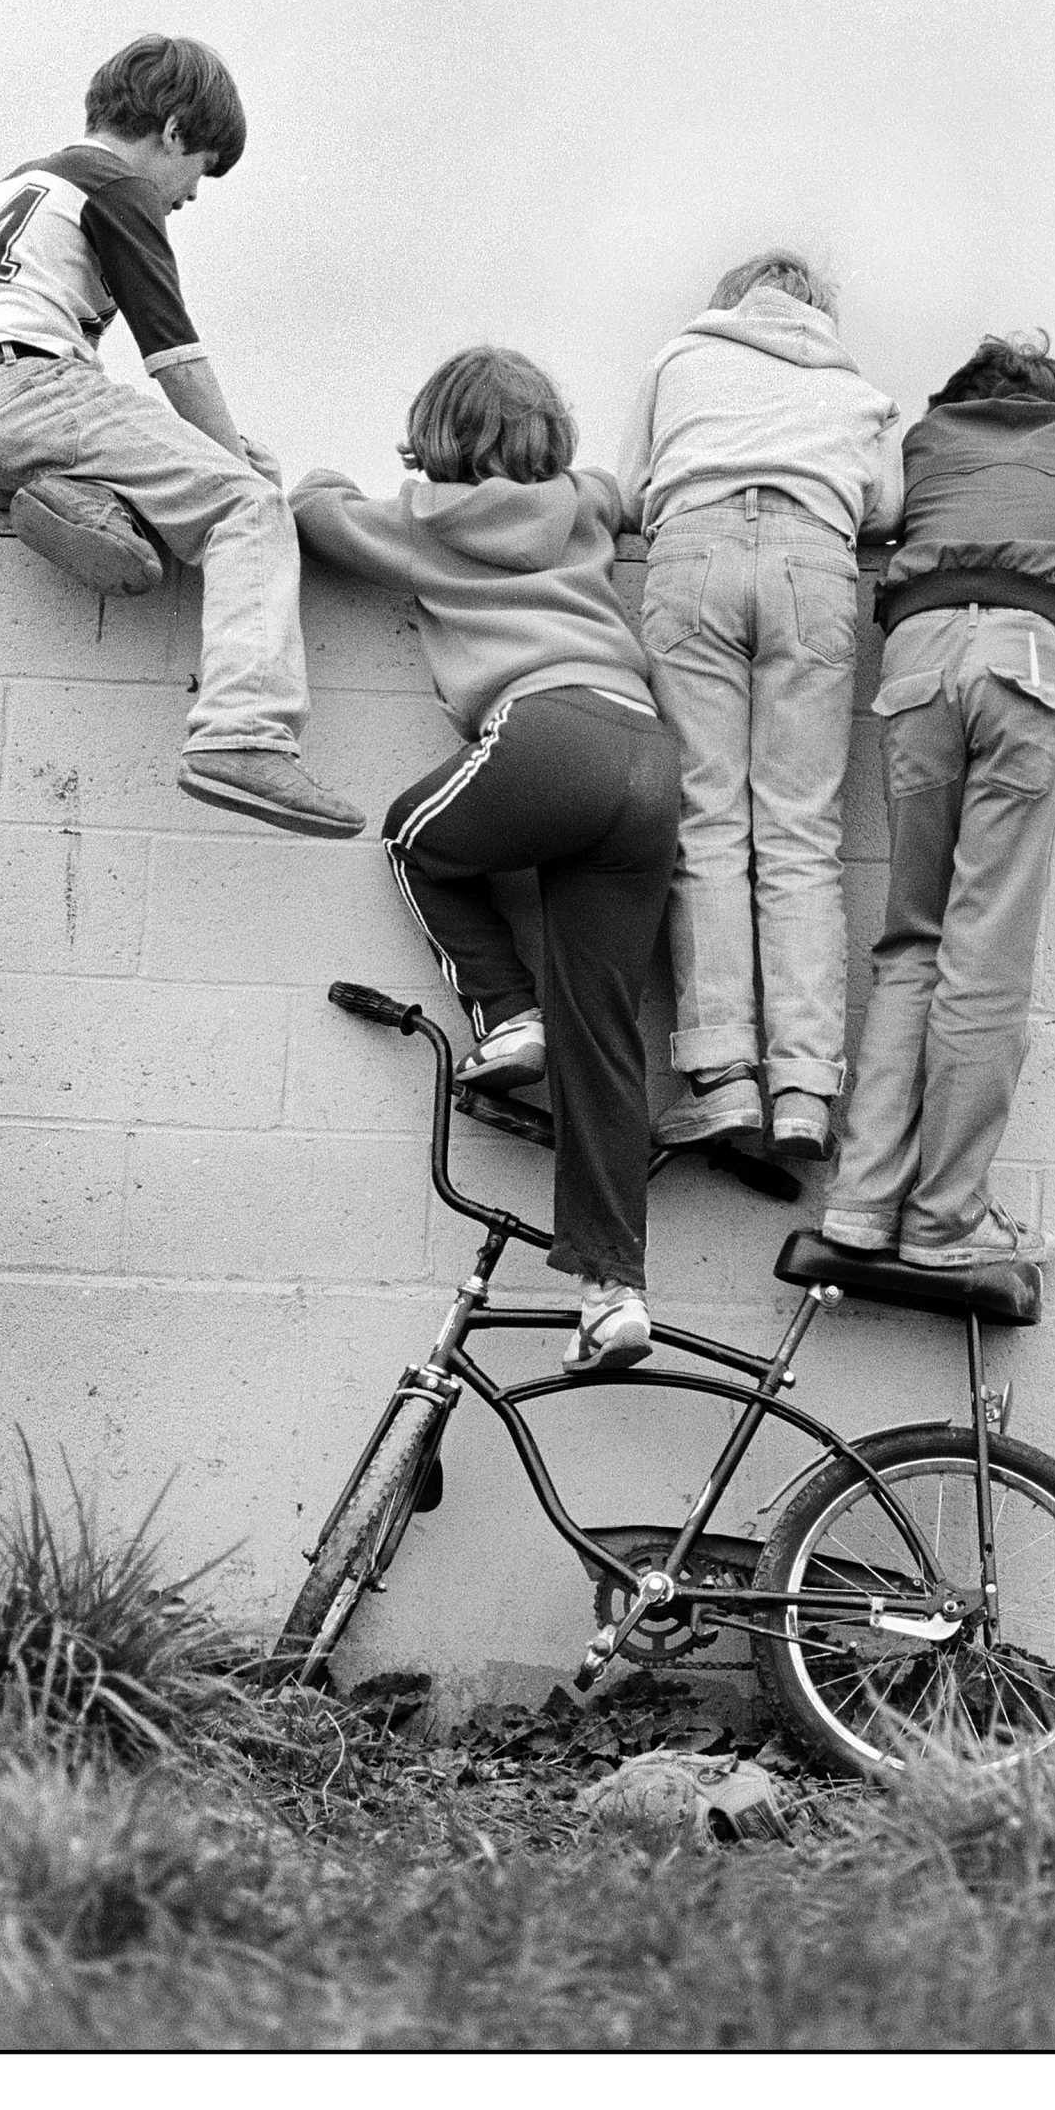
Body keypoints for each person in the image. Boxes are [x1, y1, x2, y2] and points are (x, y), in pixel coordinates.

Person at [291, 350, 682, 1369]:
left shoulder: (420, 518)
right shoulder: (586, 505)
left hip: (548, 732)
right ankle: (613, 1293)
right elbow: (634, 493)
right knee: (606, 1032)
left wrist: (391, 470)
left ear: (437, 440)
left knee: (413, 836)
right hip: (647, 754)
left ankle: (508, 1013)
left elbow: (316, 507)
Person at [0, 34, 362, 840]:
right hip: (34, 386)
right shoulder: (119, 184)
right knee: (246, 506)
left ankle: (85, 508)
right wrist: (237, 468)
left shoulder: (22, 182)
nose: (191, 196)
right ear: (171, 128)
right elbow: (176, 360)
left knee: (183, 476)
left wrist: (216, 448)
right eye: (200, 169)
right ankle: (244, 734)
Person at [816, 335, 1055, 1272]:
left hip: (917, 655)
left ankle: (859, 1201)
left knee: (911, 941)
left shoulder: (927, 442)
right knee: (987, 953)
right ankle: (945, 1216)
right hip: (1024, 658)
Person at [617, 249, 902, 1163]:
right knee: (801, 834)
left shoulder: (679, 360)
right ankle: (807, 1090)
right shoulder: (859, 392)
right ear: (819, 312)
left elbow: (630, 491)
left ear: (727, 300)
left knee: (706, 819)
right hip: (815, 562)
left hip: (692, 552)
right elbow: (884, 510)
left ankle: (723, 1077)